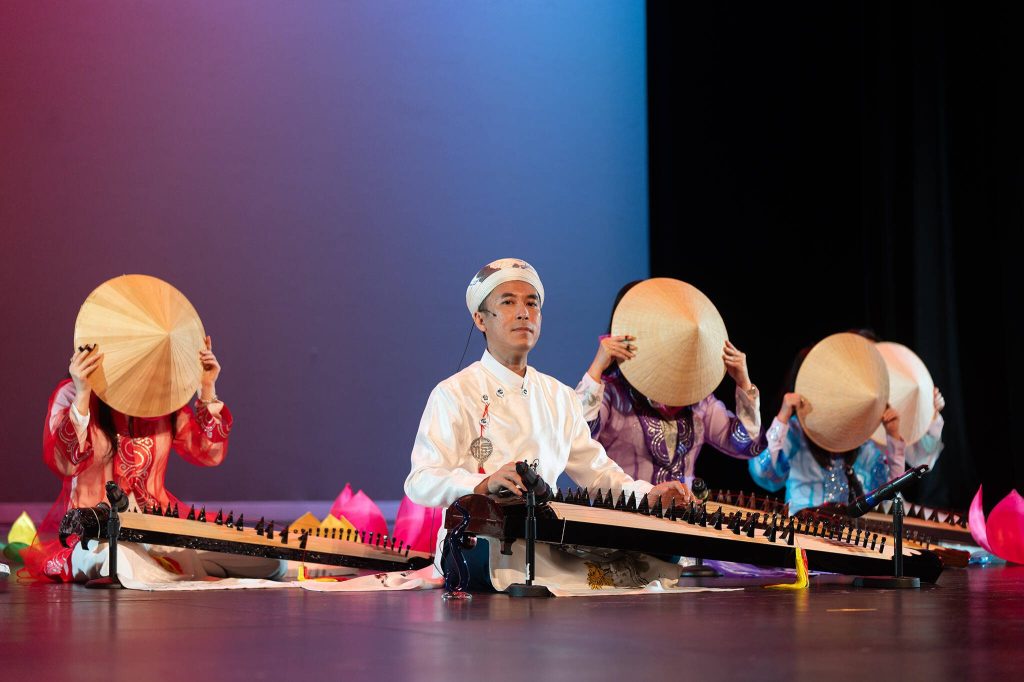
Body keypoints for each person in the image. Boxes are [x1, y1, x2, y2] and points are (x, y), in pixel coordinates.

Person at [404, 259, 692, 591]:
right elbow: (420, 481)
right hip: (477, 542)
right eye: (508, 302)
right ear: (480, 319)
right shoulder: (453, 393)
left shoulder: (559, 396)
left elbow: (599, 475)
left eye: (532, 303)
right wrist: (482, 485)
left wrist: (648, 495)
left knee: (655, 557)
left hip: (545, 538)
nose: (523, 313)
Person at [576, 281, 763, 486]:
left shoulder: (698, 402)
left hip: (681, 516)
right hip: (622, 515)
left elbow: (747, 446)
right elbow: (576, 435)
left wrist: (744, 382)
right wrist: (597, 367)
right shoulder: (613, 393)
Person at [748, 333, 945, 514]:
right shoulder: (795, 432)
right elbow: (763, 473)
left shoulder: (861, 435)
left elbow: (890, 494)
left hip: (852, 542)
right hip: (803, 536)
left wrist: (894, 437)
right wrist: (782, 419)